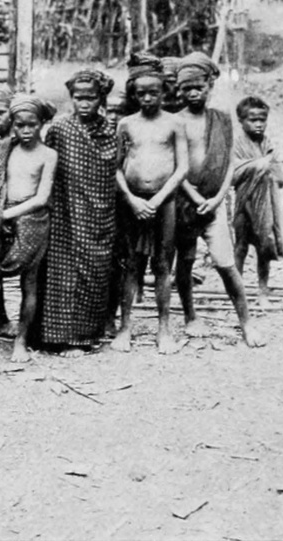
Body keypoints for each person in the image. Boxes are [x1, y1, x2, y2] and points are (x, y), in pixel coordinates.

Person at [174, 52, 262, 348]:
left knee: (225, 263)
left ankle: (246, 322)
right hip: (185, 202)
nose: (193, 93)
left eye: (199, 87)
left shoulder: (222, 119)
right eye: (187, 88)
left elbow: (229, 164)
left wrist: (218, 198)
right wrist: (195, 196)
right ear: (179, 90)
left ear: (209, 87)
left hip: (214, 204)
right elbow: (176, 167)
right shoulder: (176, 121)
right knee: (185, 261)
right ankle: (190, 316)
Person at [35, 69, 119, 354]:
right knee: (63, 272)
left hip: (101, 214)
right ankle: (57, 337)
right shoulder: (60, 129)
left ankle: (86, 334)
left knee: (95, 270)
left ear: (101, 98)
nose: (84, 103)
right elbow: (47, 167)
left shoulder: (111, 130)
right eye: (78, 97)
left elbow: (114, 171)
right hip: (65, 213)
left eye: (91, 98)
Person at [111, 55, 189, 354]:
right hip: (132, 204)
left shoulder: (174, 123)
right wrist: (131, 199)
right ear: (134, 94)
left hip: (164, 202)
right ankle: (125, 327)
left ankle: (164, 329)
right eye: (141, 93)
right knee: (131, 264)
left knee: (162, 264)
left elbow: (181, 168)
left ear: (163, 92)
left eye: (153, 92)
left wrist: (157, 199)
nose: (147, 98)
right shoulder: (126, 124)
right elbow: (116, 167)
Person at [0, 96, 57, 362]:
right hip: (1, 219)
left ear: (42, 124)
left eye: (32, 125)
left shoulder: (48, 155)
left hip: (32, 220)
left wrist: (7, 214)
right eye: (20, 125)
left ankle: (21, 341)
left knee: (29, 283)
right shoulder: (5, 148)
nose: (26, 131)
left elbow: (42, 197)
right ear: (12, 124)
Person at [233, 96, 283, 307]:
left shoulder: (267, 144)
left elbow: (279, 178)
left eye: (262, 120)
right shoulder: (236, 144)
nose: (258, 124)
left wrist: (266, 169)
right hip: (244, 202)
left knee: (264, 246)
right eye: (253, 120)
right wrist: (258, 165)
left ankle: (263, 291)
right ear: (241, 121)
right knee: (240, 246)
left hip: (266, 204)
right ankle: (237, 291)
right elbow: (233, 173)